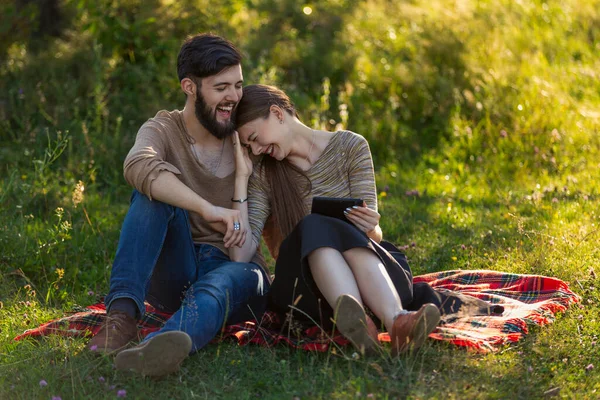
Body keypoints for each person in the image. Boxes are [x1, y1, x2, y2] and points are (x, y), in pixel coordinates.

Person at [87, 34, 270, 376]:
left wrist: (242, 178)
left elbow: (243, 249)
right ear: (190, 86)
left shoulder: (249, 138)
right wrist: (207, 208)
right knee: (150, 193)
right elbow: (137, 164)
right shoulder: (164, 129)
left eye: (238, 85)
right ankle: (122, 317)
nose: (233, 97)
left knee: (227, 278)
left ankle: (160, 346)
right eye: (221, 87)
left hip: (236, 273)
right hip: (178, 270)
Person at [230, 84, 440, 356]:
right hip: (305, 292)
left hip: (373, 278)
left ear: (277, 113)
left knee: (327, 225)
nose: (256, 150)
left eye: (255, 138)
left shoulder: (351, 146)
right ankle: (363, 318)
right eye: (249, 146)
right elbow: (240, 254)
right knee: (314, 224)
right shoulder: (263, 175)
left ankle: (393, 320)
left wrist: (371, 226)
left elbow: (372, 237)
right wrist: (240, 178)